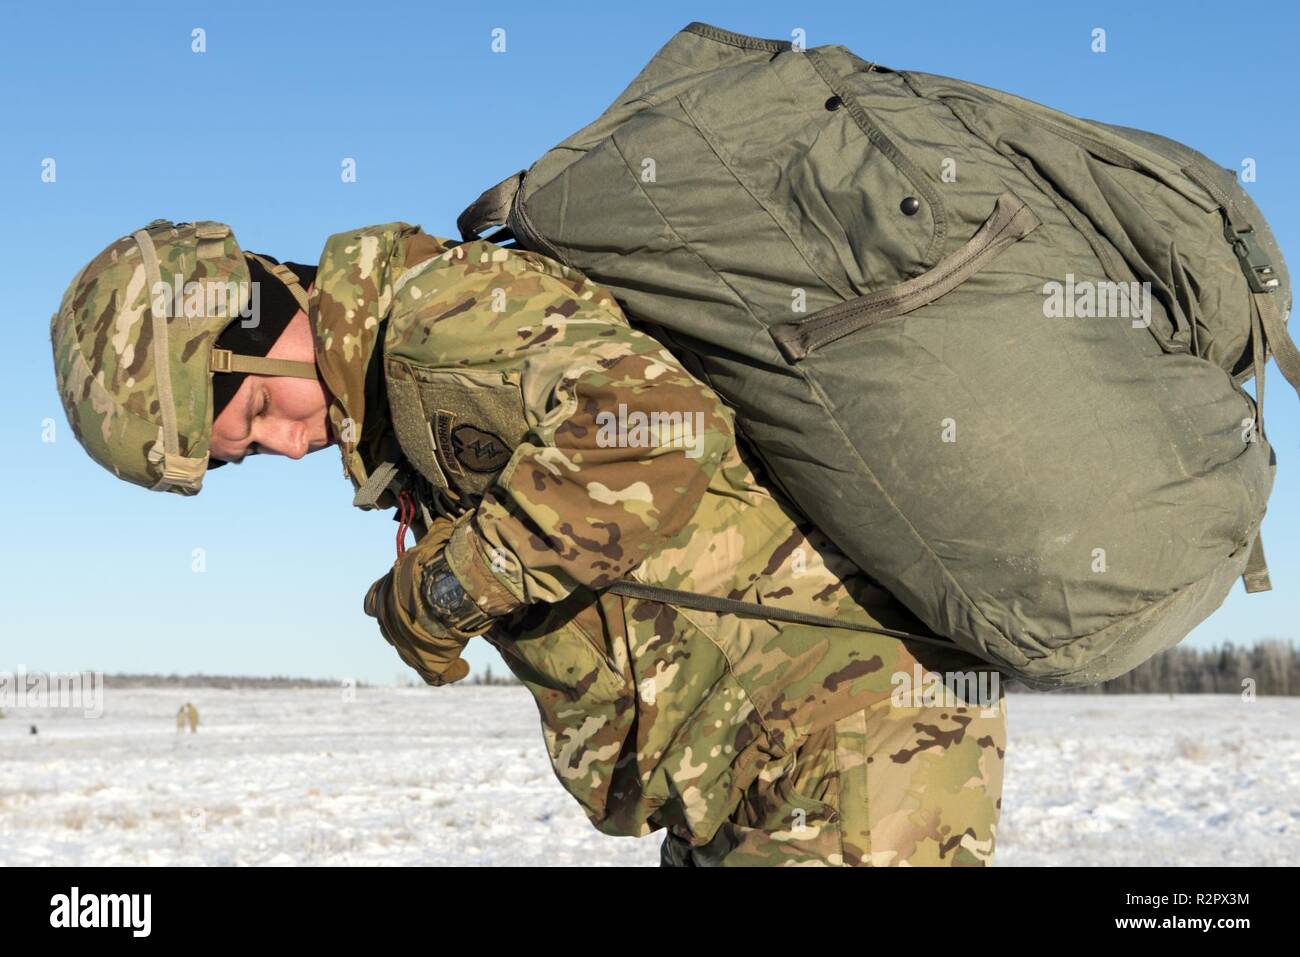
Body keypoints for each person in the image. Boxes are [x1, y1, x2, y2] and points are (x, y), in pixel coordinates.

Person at [51, 219, 1006, 866]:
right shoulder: (403, 401)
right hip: (752, 782)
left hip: (842, 748)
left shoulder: (439, 318)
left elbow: (657, 424)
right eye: (249, 452)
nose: (289, 441)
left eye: (260, 406)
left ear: (258, 303)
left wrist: (446, 591)